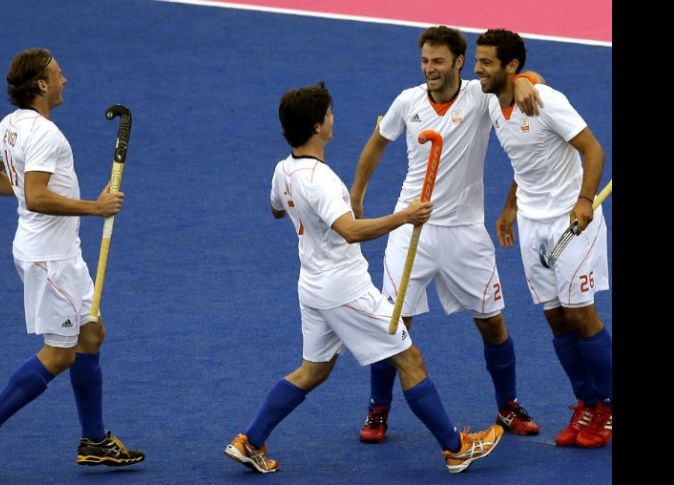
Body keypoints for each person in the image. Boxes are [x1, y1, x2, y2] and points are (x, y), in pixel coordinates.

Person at [224, 82, 503, 475]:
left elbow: (276, 210)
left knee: (313, 371)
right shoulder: (323, 181)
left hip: (313, 288)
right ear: (319, 126)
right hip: (345, 289)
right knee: (410, 359)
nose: (334, 119)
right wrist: (404, 216)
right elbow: (350, 231)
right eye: (330, 115)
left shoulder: (283, 170)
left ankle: (250, 441)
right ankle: (456, 449)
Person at [350, 25, 542, 444]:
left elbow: (520, 81)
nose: (429, 69)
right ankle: (377, 411)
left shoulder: (479, 96)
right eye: (424, 61)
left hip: (465, 234)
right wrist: (358, 194)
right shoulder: (407, 101)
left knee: (492, 322)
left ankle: (507, 406)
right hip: (410, 227)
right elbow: (376, 144)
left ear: (459, 62)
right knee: (395, 323)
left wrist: (526, 80)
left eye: (438, 61)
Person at [0, 48, 145, 478]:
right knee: (60, 354)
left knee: (92, 333)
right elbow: (37, 196)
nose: (66, 80)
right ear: (42, 85)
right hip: (50, 259)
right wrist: (94, 207)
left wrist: (39, 195)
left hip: (58, 253)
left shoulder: (11, 125)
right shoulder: (46, 134)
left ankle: (94, 441)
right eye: (60, 75)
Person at [474, 29, 612, 448]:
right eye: (477, 61)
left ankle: (606, 407)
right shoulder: (492, 99)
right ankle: (585, 402)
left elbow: (593, 150)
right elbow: (524, 160)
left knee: (580, 312)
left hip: (572, 220)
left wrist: (585, 200)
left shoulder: (546, 101)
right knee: (555, 318)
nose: (476, 70)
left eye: (485, 63)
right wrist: (511, 206)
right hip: (533, 223)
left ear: (509, 66)